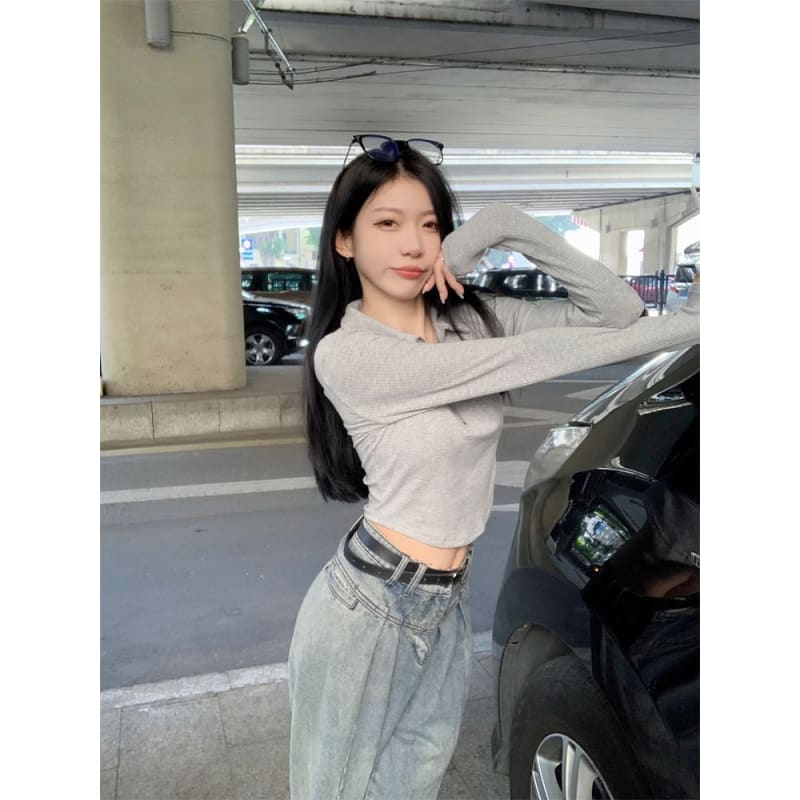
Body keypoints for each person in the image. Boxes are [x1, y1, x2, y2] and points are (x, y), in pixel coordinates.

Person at [289, 135, 700, 800]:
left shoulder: (473, 320)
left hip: (446, 601)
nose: (413, 245)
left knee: (411, 786)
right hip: (368, 607)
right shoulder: (348, 354)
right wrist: (693, 324)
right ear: (344, 241)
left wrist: (501, 224)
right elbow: (534, 359)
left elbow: (616, 312)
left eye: (429, 225)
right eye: (387, 224)